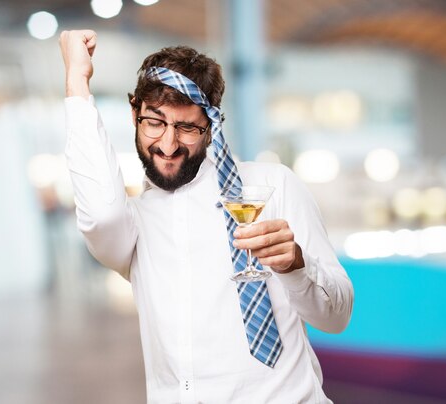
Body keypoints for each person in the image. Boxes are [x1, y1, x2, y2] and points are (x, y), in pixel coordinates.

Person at [59, 29, 354, 403]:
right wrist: (76, 82)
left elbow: (337, 316)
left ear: (212, 127)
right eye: (155, 122)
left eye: (187, 128)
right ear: (134, 113)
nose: (168, 145)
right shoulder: (133, 223)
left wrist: (297, 265)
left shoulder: (274, 186)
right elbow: (99, 214)